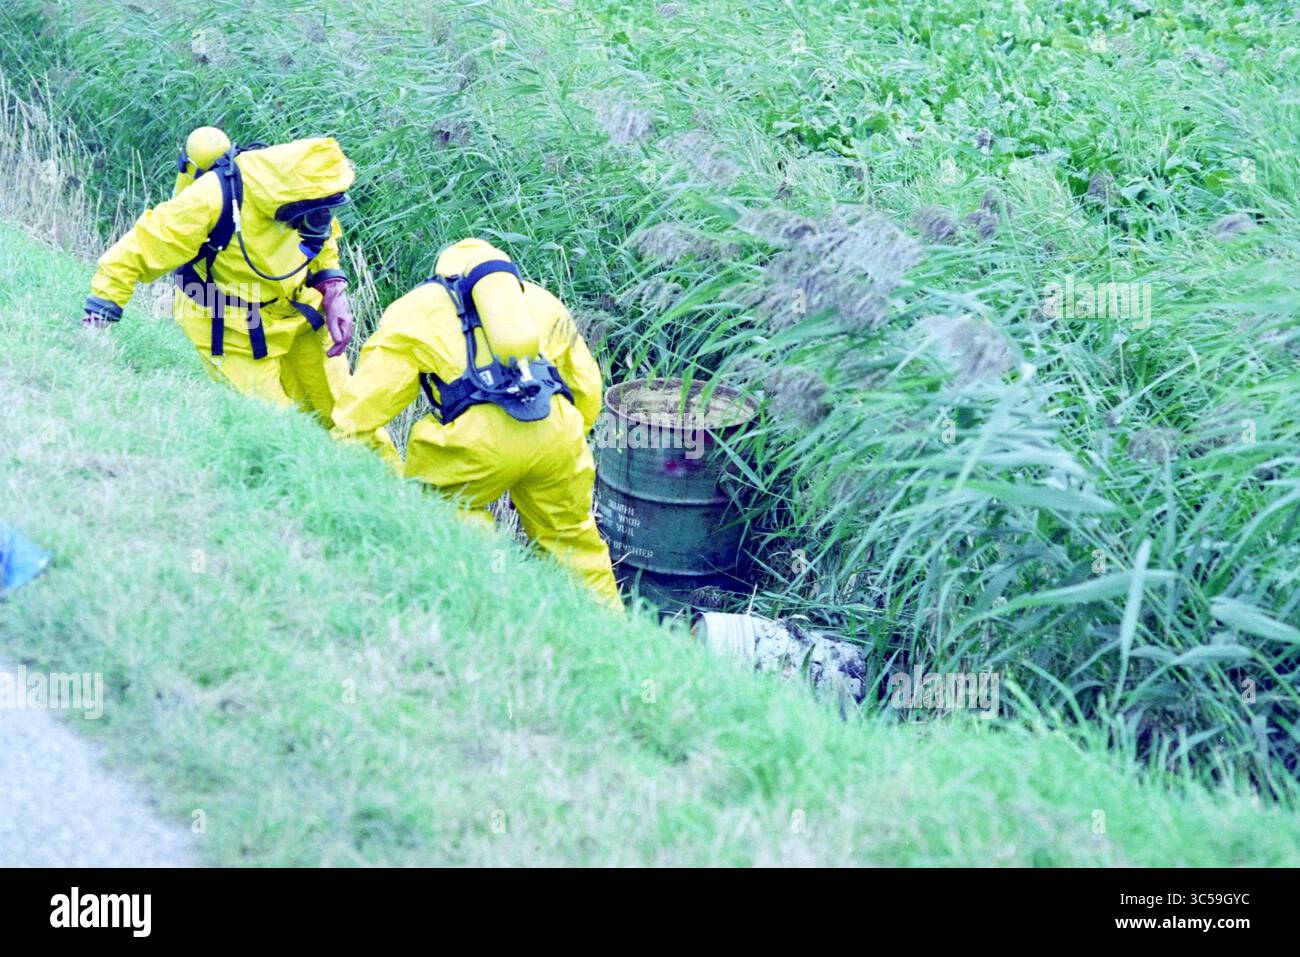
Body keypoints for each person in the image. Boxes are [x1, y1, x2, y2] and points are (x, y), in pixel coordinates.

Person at [331, 238, 622, 611]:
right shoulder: (541, 300)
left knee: (455, 524)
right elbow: (587, 387)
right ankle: (610, 639)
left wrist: (367, 469)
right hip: (557, 432)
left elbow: (363, 409)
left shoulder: (415, 311)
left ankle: (489, 612)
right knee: (575, 544)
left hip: (475, 446)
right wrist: (558, 445)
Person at [82, 127, 388, 447]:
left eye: (327, 211)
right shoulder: (215, 198)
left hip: (297, 314)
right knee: (281, 434)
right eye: (317, 213)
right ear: (293, 203)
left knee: (351, 418)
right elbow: (141, 247)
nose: (322, 220)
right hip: (233, 327)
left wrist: (334, 289)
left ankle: (395, 491)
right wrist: (99, 314)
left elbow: (323, 240)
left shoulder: (309, 194)